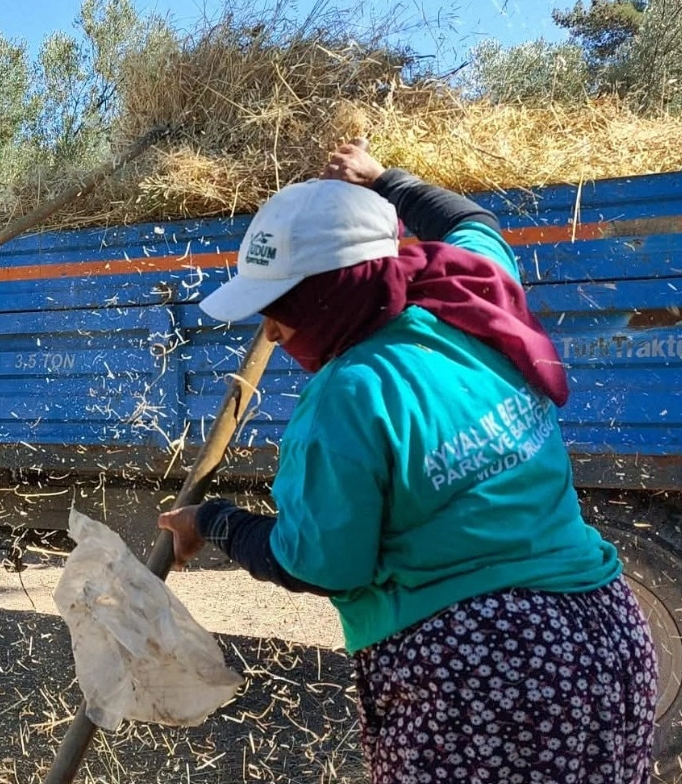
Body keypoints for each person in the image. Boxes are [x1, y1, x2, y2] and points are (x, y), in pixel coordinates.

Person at [158, 142, 657, 783]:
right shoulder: (471, 291)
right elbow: (472, 223)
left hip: (484, 675)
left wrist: (216, 523)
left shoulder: (347, 397)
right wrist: (383, 178)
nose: (274, 333)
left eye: (280, 309)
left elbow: (322, 563)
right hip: (607, 636)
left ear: (329, 295)